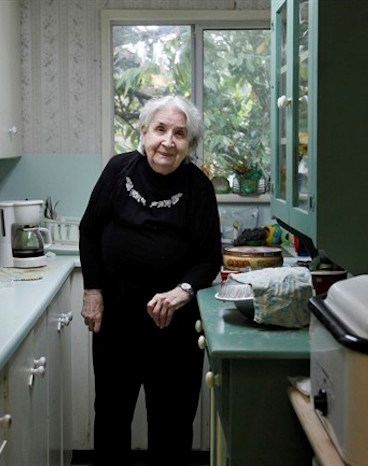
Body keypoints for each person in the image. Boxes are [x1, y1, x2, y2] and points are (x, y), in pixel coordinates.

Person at [79, 95, 223, 466]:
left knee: (172, 426)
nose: (168, 141)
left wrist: (182, 291)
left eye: (180, 133)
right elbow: (89, 230)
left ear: (189, 144)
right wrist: (92, 291)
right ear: (143, 132)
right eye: (160, 129)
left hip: (173, 327)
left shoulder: (199, 188)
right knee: (111, 417)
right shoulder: (118, 170)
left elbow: (210, 258)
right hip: (117, 323)